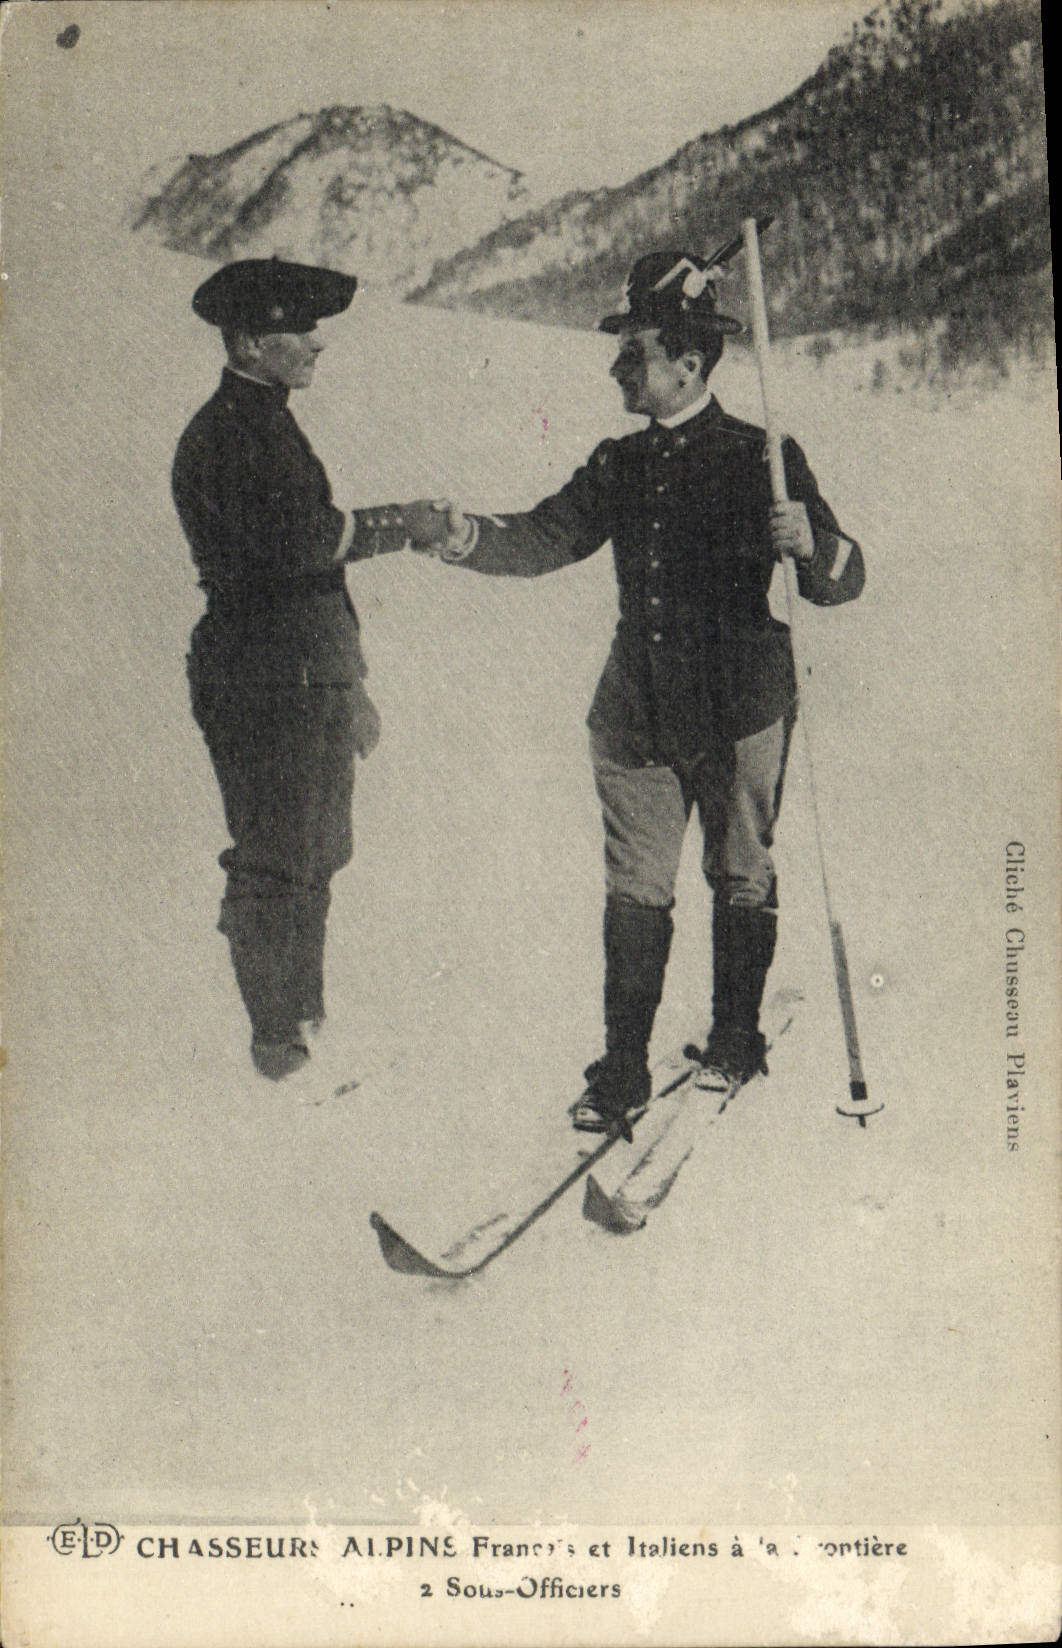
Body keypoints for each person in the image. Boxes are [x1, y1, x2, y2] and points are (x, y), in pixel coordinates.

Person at [421, 249, 865, 1138]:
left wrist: (809, 540)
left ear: (689, 365)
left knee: (740, 874)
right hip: (637, 710)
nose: (619, 367)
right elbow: (547, 536)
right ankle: (623, 1066)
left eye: (635, 353)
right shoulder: (617, 463)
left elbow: (843, 579)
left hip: (741, 705)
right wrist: (466, 536)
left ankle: (735, 1036)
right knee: (636, 888)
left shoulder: (764, 456)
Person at [172, 257, 451, 1080]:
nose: (318, 345)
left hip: (305, 674)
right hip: (258, 679)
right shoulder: (227, 434)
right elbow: (306, 543)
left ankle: (304, 1013)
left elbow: (315, 576)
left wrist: (350, 684)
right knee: (273, 856)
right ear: (254, 342)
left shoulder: (267, 419)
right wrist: (410, 523)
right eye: (302, 330)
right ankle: (274, 1039)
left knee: (320, 850)